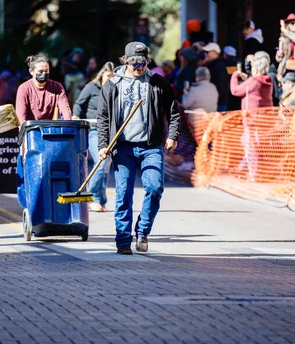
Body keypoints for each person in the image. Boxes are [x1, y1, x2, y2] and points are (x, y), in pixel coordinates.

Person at [97, 41, 180, 255]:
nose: (138, 67)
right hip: (123, 148)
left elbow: (173, 112)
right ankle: (123, 240)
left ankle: (142, 231)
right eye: (134, 63)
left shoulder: (157, 82)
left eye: (142, 63)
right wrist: (103, 145)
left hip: (150, 146)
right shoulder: (112, 84)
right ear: (125, 61)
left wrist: (172, 135)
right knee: (123, 193)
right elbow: (103, 117)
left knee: (154, 188)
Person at [72, 62, 115, 213]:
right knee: (101, 161)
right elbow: (79, 103)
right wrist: (76, 115)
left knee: (105, 167)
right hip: (94, 129)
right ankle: (94, 198)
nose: (110, 79)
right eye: (108, 76)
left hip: (111, 131)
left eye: (113, 77)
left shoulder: (114, 89)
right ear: (102, 74)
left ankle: (101, 200)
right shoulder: (92, 87)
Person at [15, 54, 72, 124]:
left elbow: (66, 112)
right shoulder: (23, 89)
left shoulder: (57, 87)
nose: (44, 74)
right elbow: (21, 117)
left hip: (50, 130)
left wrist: (69, 125)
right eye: (40, 71)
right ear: (31, 71)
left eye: (46, 71)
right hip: (31, 130)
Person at [203, 42, 230, 112]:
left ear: (215, 52)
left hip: (219, 103)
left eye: (207, 52)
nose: (205, 54)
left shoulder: (219, 66)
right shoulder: (213, 65)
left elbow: (221, 85)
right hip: (215, 102)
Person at [276, 13, 295, 78]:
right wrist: (279, 55)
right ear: (288, 25)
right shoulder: (283, 39)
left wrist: (285, 30)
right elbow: (278, 59)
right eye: (292, 23)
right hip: (285, 68)